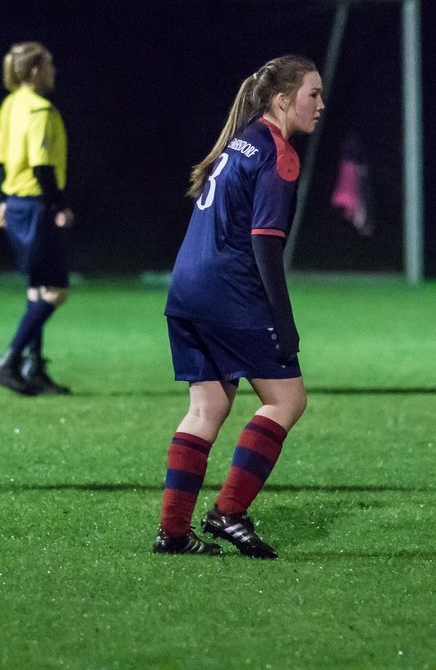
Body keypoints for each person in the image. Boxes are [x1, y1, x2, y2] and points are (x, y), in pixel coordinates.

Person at [154, 54, 324, 557]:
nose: (319, 104)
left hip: (185, 288)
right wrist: (284, 323)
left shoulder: (240, 140)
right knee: (288, 400)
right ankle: (228, 513)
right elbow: (265, 243)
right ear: (282, 100)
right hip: (228, 293)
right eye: (311, 94)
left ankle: (174, 533)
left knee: (207, 407)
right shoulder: (278, 152)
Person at [0, 42, 72, 396]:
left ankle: (34, 367)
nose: (54, 71)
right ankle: (10, 359)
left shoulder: (10, 104)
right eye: (49, 65)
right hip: (36, 204)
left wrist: (2, 201)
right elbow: (41, 164)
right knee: (56, 291)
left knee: (37, 288)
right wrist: (57, 206)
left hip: (15, 201)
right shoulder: (39, 110)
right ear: (36, 70)